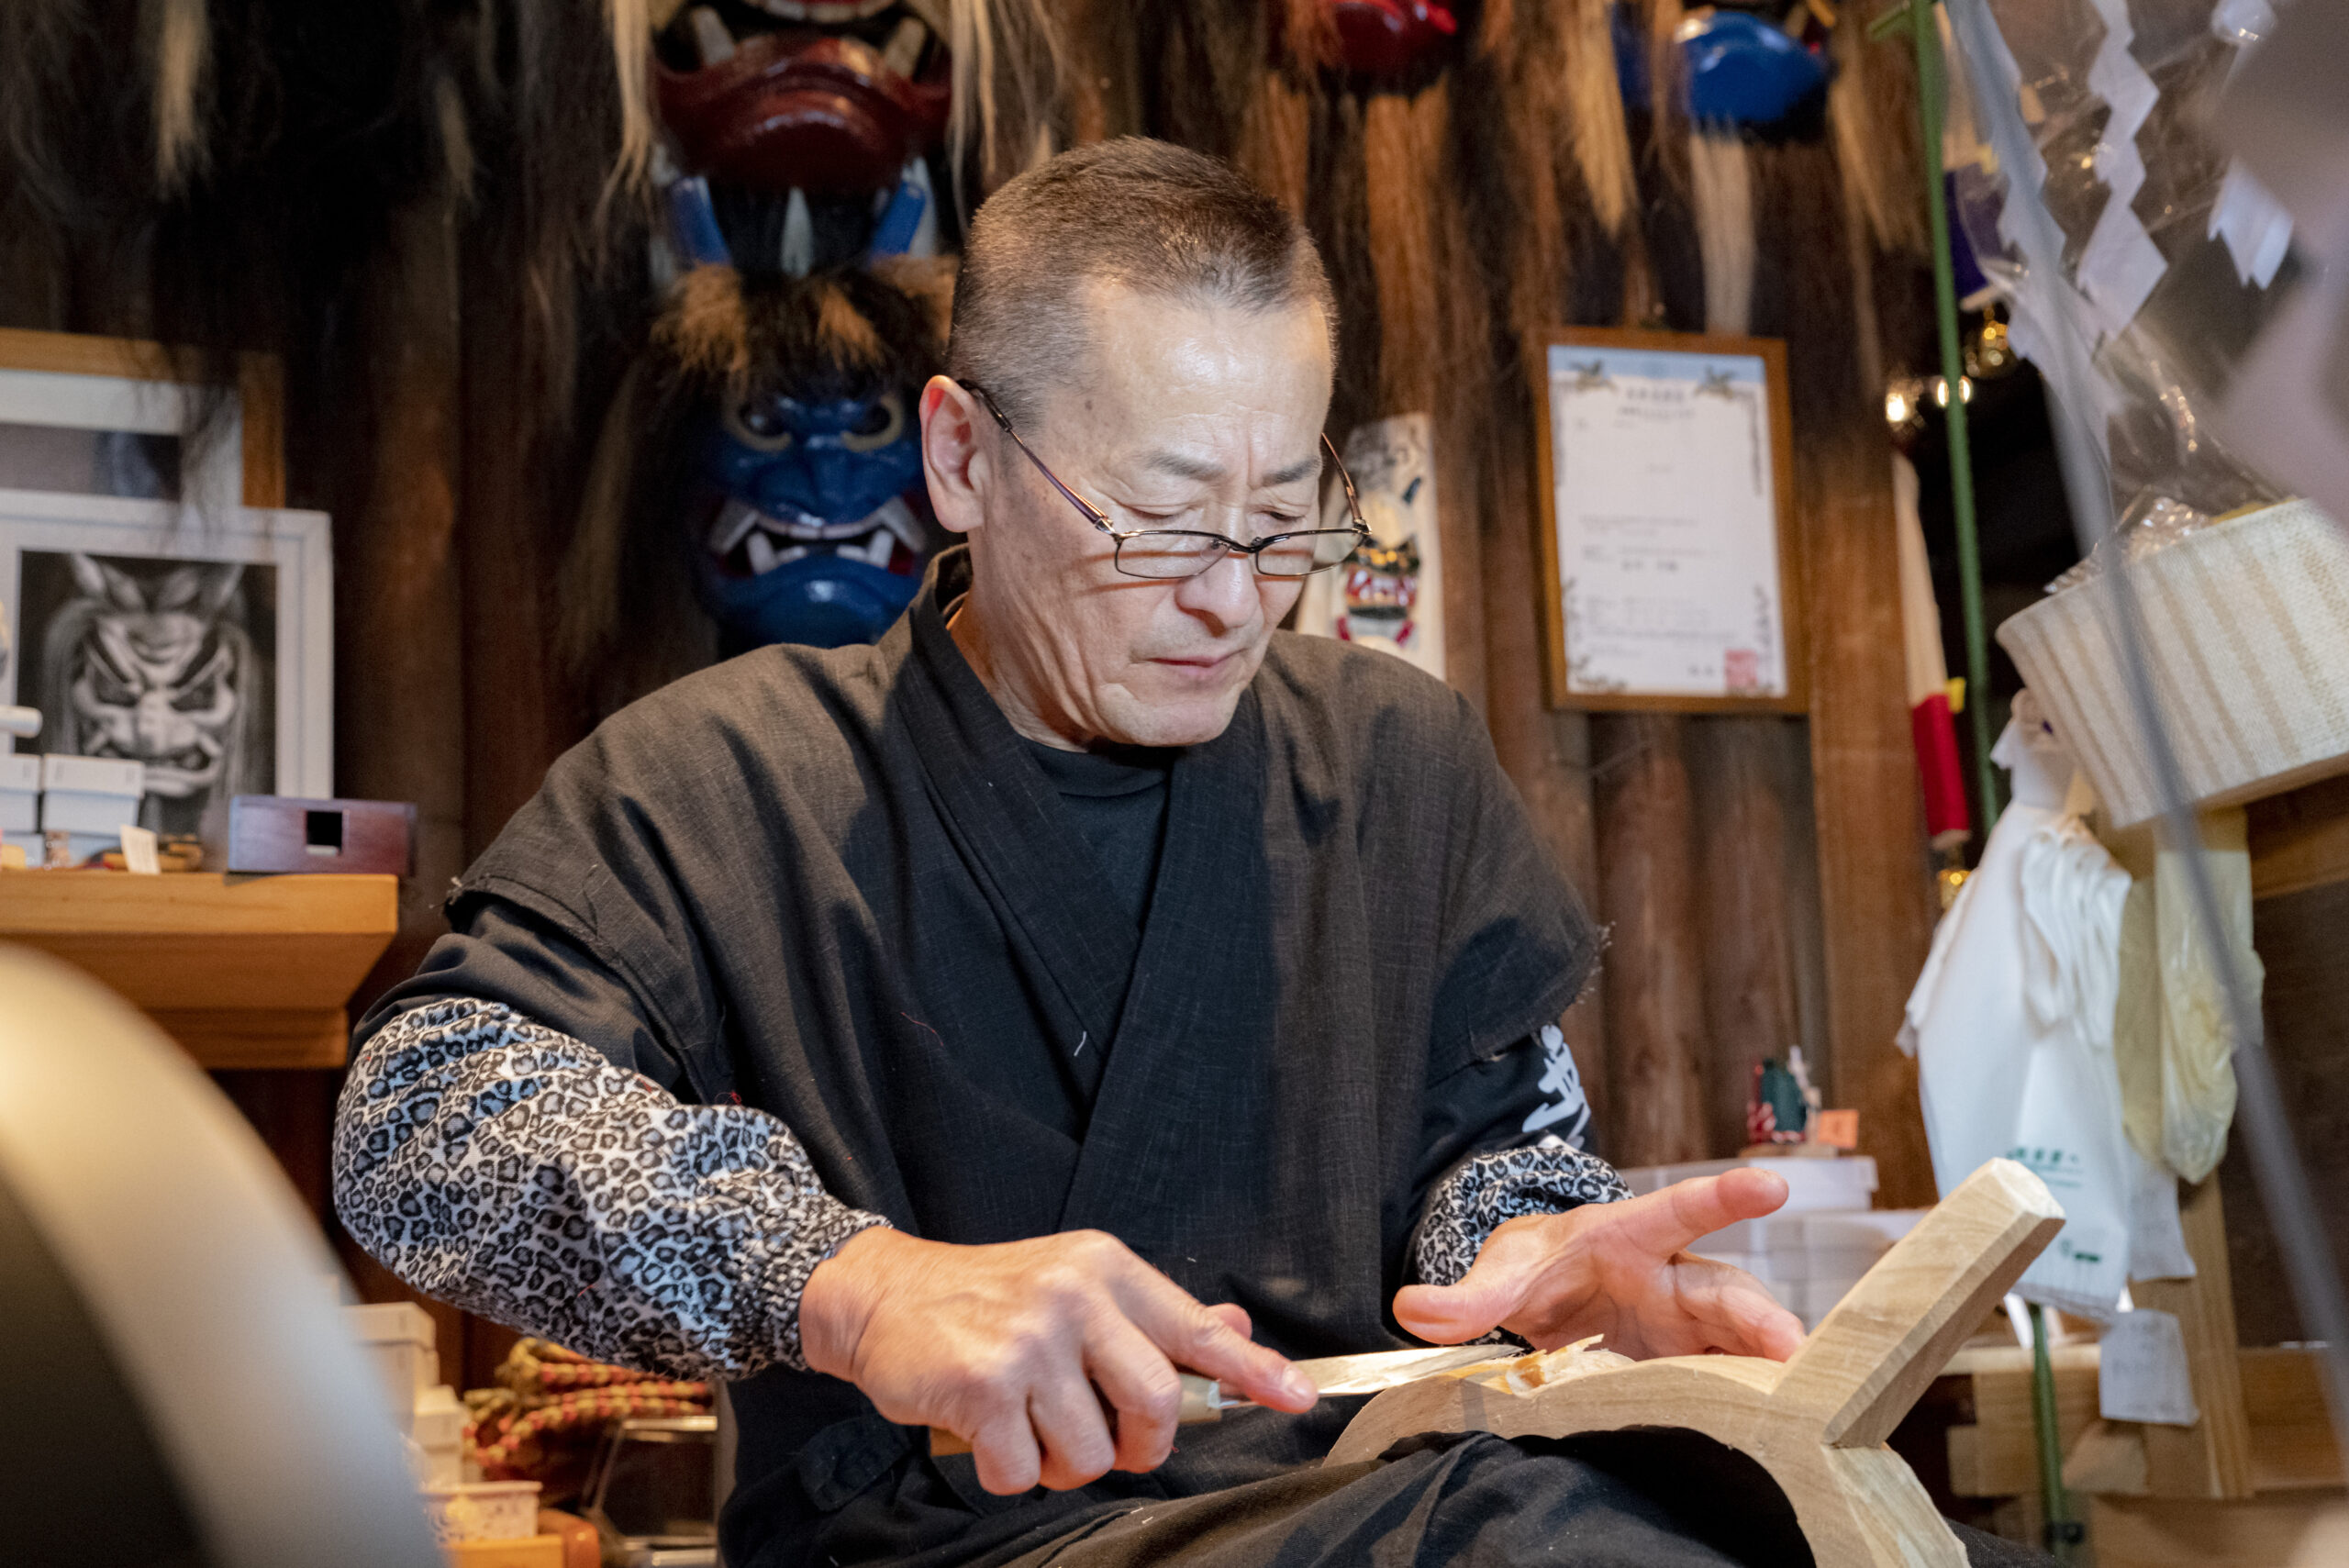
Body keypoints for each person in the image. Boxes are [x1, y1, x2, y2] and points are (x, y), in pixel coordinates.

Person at [335, 139, 2039, 1568]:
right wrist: (845, 1284)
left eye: (1285, 512)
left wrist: (1535, 1256)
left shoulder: (1394, 756)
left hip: (1379, 1494)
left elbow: (1490, 1144)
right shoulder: (729, 779)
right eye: (1157, 519)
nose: (1235, 593)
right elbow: (419, 1123)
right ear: (962, 457)